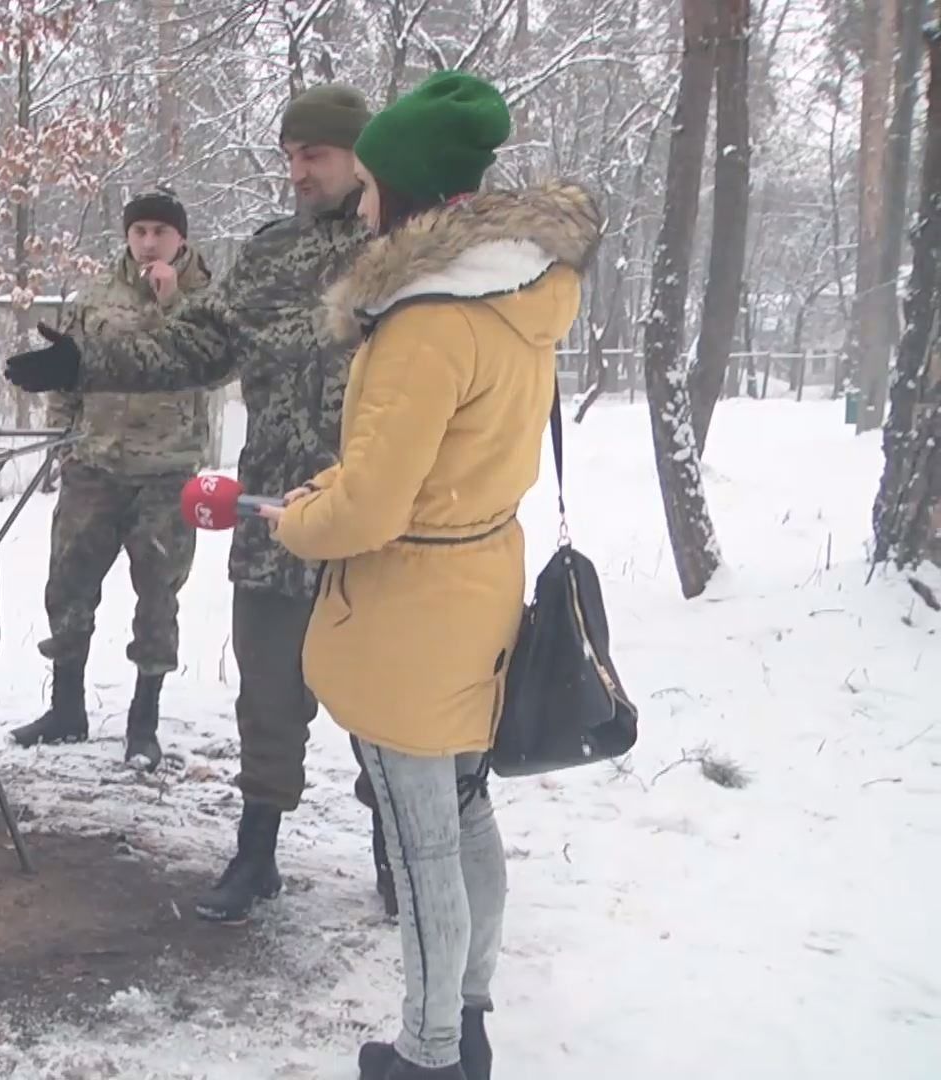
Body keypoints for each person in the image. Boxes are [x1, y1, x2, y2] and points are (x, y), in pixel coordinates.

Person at [262, 72, 600, 1080]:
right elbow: (440, 466)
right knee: (462, 810)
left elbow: (370, 506)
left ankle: (432, 1051)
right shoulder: (522, 289)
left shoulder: (424, 322)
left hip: (411, 609)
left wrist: (298, 520)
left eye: (371, 186)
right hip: (480, 578)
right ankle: (471, 1006)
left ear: (407, 194)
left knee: (421, 843)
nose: (361, 203)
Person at [4, 85, 374, 923]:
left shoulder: (402, 250)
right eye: (289, 156)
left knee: (381, 694)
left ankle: (396, 846)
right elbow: (202, 342)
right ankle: (256, 853)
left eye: (313, 155)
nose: (298, 171)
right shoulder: (272, 252)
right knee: (268, 692)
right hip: (278, 512)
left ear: (360, 156)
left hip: (377, 518)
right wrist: (86, 365)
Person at [11, 190, 214, 770]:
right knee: (68, 587)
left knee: (157, 597)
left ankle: (143, 723)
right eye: (139, 231)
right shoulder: (99, 296)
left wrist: (172, 302)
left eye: (160, 232)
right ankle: (67, 709)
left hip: (166, 470)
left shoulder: (205, 299)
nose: (148, 242)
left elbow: (211, 361)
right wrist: (64, 441)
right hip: (95, 466)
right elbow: (67, 370)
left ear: (181, 237)